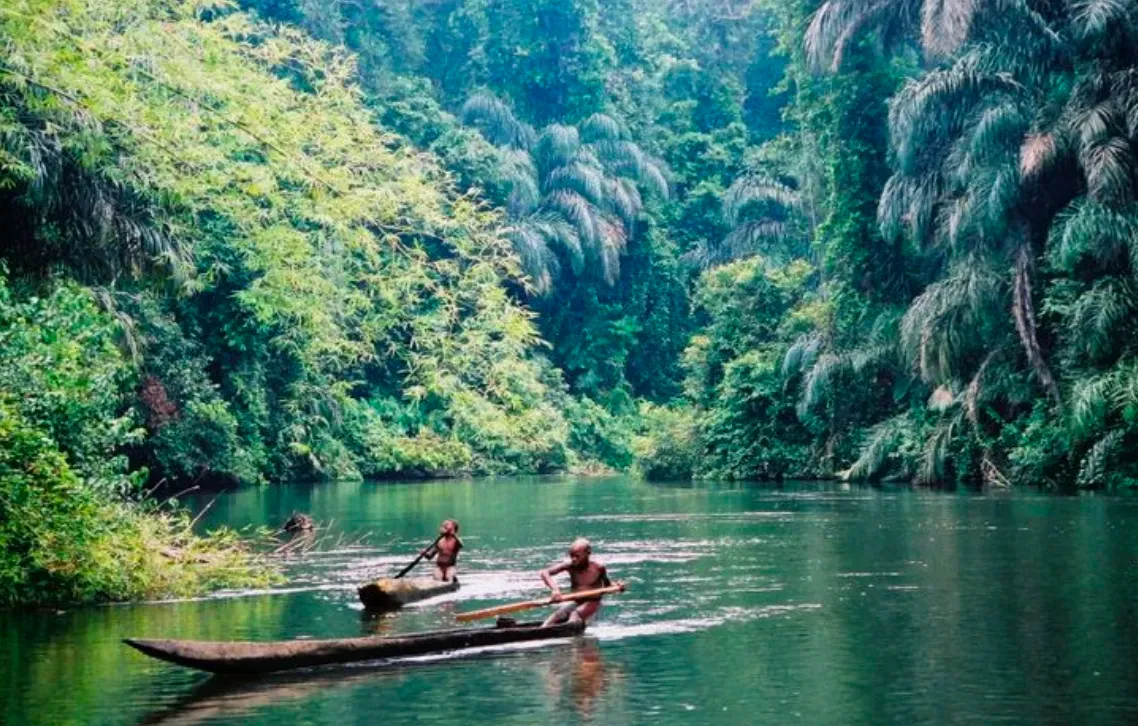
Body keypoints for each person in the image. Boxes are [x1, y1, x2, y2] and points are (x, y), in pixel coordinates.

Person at [540, 538, 624, 627]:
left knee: (574, 615)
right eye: (571, 556)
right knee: (556, 616)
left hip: (592, 603)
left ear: (588, 554)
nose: (574, 559)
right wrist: (555, 590)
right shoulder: (570, 566)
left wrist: (617, 587)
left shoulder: (598, 568)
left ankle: (573, 631)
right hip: (577, 602)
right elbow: (545, 573)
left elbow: (607, 586)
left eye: (577, 556)